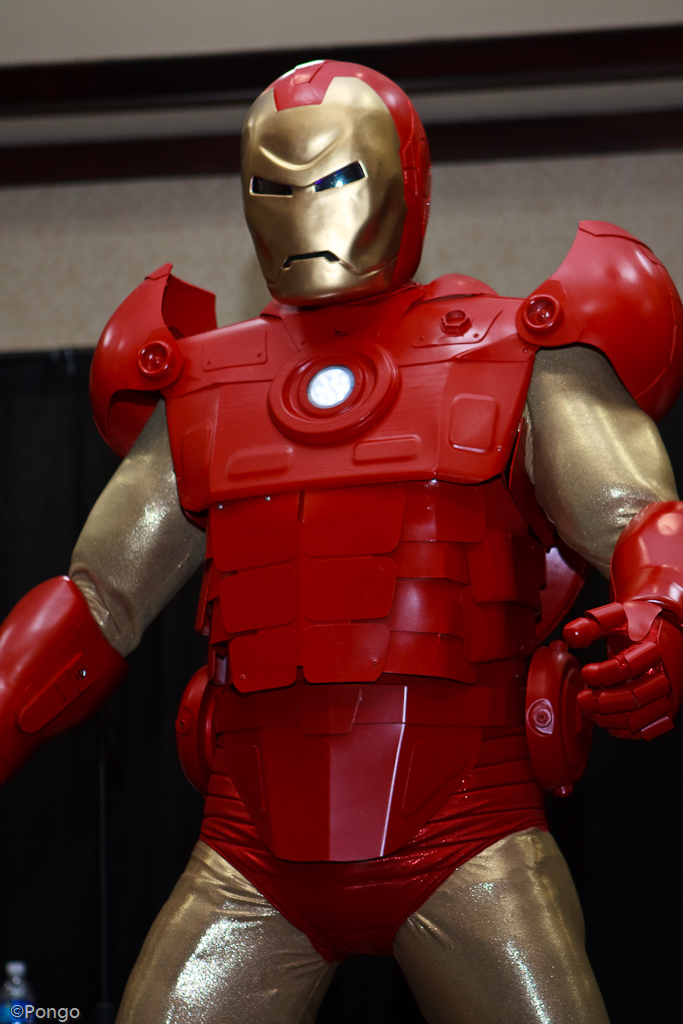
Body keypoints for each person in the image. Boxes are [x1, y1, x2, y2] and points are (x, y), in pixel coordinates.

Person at [1, 60, 682, 1024]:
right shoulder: (202, 385)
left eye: (331, 179)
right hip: (249, 854)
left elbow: (641, 520)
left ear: (403, 181)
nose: (304, 210)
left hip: (469, 834)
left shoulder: (520, 353)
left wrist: (663, 613)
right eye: (273, 187)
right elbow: (97, 598)